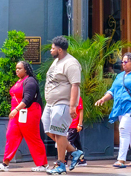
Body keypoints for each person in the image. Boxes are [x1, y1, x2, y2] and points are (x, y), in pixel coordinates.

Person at [96, 51, 131, 168]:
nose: (123, 64)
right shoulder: (120, 76)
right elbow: (112, 90)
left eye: (126, 62)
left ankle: (121, 159)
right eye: (122, 62)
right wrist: (103, 99)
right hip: (120, 108)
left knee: (123, 130)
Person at [0, 59, 45, 171]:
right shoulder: (20, 81)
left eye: (19, 68)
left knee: (33, 138)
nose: (17, 70)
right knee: (11, 136)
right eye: (16, 68)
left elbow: (28, 98)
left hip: (29, 112)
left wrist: (16, 109)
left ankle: (42, 165)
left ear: (26, 70)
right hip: (18, 113)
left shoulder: (30, 81)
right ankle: (5, 164)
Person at [41, 36, 81, 175]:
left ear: (59, 49)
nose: (50, 51)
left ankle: (61, 165)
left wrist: (72, 106)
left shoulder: (71, 63)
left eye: (52, 48)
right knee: (48, 129)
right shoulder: (56, 61)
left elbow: (75, 85)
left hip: (63, 103)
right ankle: (75, 153)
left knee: (59, 132)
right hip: (51, 104)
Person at [66, 99, 85, 169]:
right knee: (77, 142)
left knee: (68, 142)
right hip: (67, 124)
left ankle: (64, 160)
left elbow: (81, 111)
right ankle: (82, 160)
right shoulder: (66, 96)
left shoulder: (77, 98)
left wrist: (80, 124)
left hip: (74, 125)